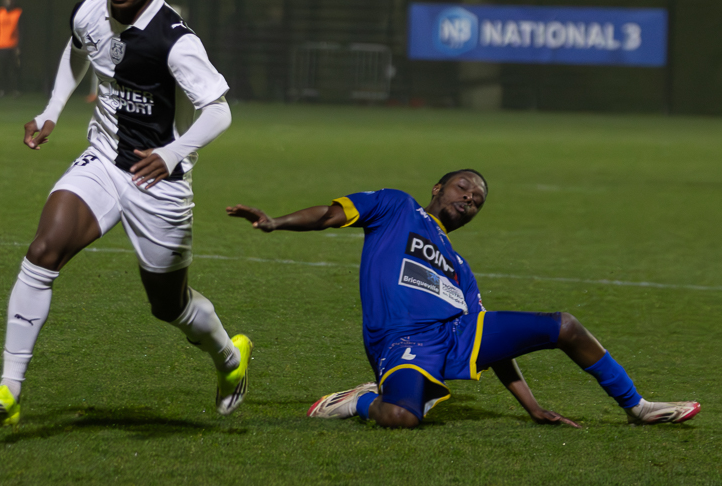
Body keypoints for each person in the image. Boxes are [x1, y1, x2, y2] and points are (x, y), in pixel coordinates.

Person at [0, 0, 251, 426]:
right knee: (43, 248)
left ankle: (229, 357)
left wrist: (173, 150)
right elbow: (78, 50)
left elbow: (218, 112)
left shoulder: (175, 41)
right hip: (103, 160)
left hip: (160, 183)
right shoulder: (90, 11)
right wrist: (52, 111)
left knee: (169, 305)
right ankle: (7, 392)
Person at [227, 170, 700, 429]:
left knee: (564, 325)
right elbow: (330, 214)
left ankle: (637, 406)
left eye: (478, 199)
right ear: (437, 188)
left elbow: (494, 346)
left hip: (456, 334)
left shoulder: (461, 269)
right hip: (400, 339)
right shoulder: (395, 206)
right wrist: (276, 223)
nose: (470, 198)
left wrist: (531, 407)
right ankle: (358, 401)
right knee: (400, 419)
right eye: (463, 188)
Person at [0, 0, 22, 97]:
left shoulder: (17, 13)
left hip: (13, 45)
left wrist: (19, 46)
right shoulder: (0, 13)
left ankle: (15, 90)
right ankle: (3, 90)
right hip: (1, 45)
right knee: (2, 69)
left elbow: (21, 31)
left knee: (14, 69)